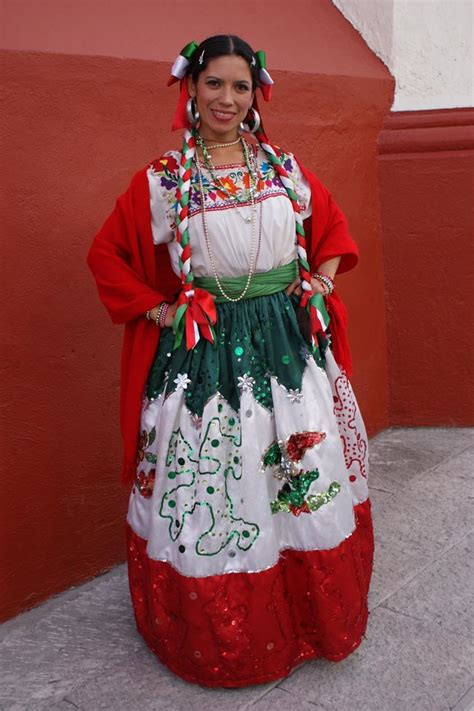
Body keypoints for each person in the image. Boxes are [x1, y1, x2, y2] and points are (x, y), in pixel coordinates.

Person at [87, 34, 374, 688]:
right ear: (190, 88)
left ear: (257, 94)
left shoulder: (284, 170)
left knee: (297, 473)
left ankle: (311, 615)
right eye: (214, 83)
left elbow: (332, 231)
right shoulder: (165, 180)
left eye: (240, 86)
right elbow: (107, 255)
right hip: (205, 362)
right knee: (222, 482)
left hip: (288, 353)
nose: (227, 98)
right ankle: (225, 632)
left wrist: (321, 286)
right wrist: (161, 312)